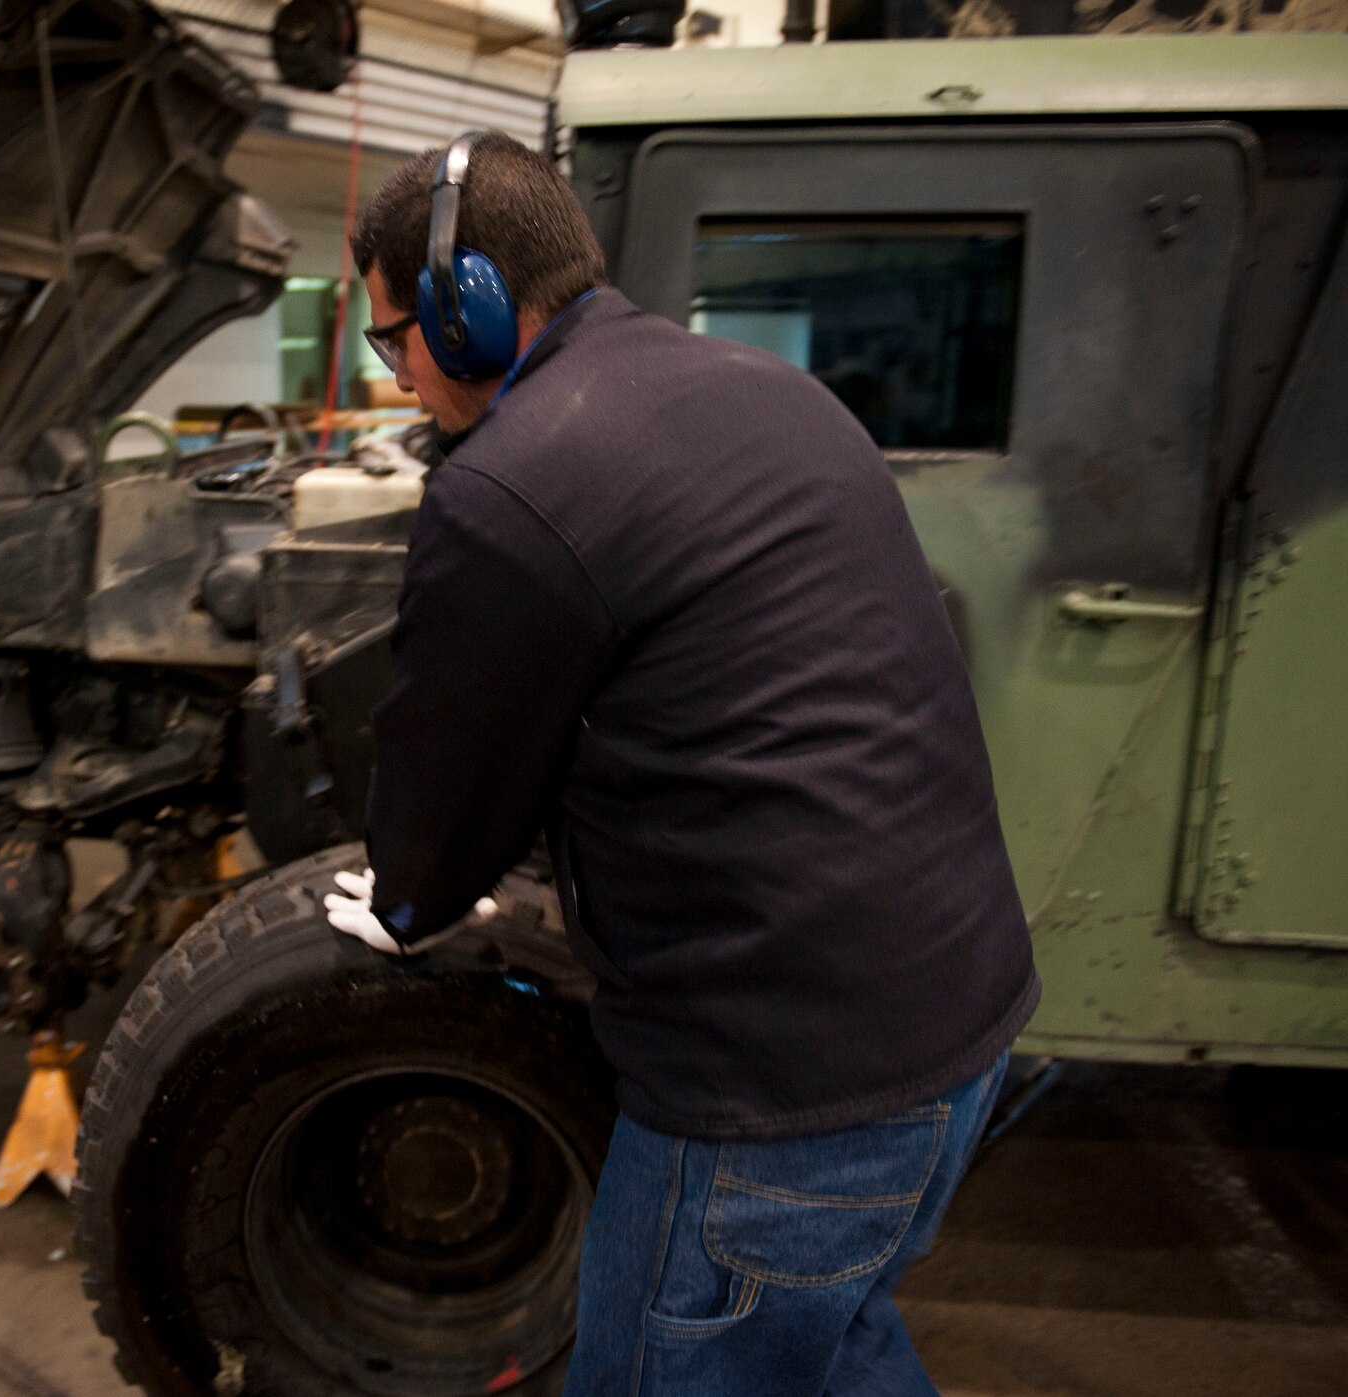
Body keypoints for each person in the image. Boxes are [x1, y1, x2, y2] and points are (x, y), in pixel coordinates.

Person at [321, 130, 1039, 1395]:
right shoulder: (766, 390)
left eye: (395, 340)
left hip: (779, 1099)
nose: (395, 380)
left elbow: (441, 806)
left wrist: (405, 899)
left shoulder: (509, 486)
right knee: (830, 1341)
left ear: (469, 305)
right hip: (956, 1029)